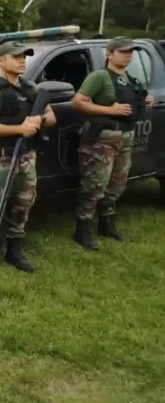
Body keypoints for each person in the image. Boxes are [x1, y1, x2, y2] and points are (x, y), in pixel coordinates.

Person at [0, 41, 57, 283]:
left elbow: (51, 117)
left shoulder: (31, 88)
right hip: (2, 156)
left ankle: (14, 251)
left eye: (24, 56)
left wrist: (38, 119)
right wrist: (21, 127)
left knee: (24, 203)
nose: (22, 60)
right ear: (0, 60)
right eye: (16, 56)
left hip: (26, 156)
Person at [71, 36, 153, 249]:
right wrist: (110, 110)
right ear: (109, 54)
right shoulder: (99, 77)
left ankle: (106, 223)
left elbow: (136, 99)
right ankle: (82, 229)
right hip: (102, 139)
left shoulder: (130, 78)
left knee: (117, 184)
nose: (128, 55)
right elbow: (78, 102)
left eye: (130, 52)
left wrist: (145, 100)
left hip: (125, 137)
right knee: (94, 185)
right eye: (123, 51)